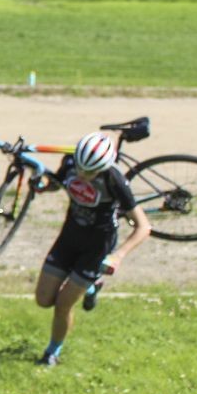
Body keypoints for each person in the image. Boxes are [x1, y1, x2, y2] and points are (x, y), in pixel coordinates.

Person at [33, 132, 150, 367]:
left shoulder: (114, 180)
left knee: (64, 304)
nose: (84, 175)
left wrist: (118, 256)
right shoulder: (71, 162)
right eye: (81, 169)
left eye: (91, 172)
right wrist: (42, 187)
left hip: (96, 247)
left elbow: (143, 226)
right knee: (44, 300)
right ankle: (92, 287)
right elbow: (58, 183)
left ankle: (52, 352)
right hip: (69, 238)